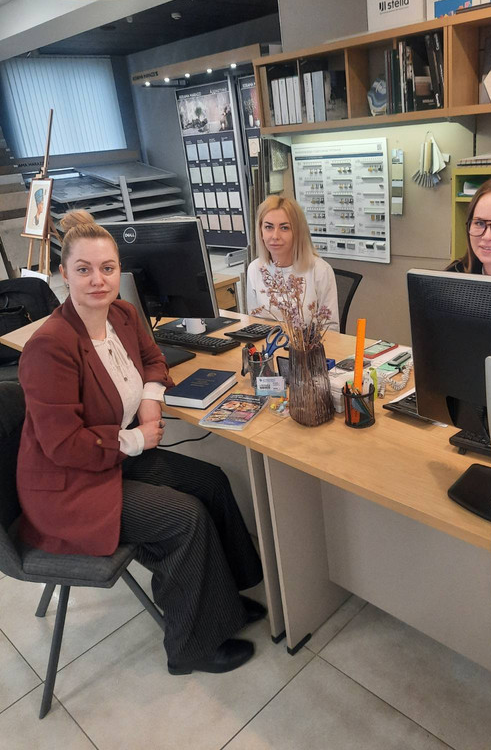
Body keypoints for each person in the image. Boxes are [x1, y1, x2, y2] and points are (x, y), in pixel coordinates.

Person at [16, 210, 264, 675]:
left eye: (107, 268)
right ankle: (190, 648)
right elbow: (62, 445)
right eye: (84, 270)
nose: (98, 280)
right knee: (185, 517)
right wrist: (134, 437)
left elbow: (154, 359)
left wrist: (151, 400)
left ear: (119, 271)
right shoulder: (50, 346)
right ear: (64, 274)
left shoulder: (123, 315)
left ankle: (225, 599)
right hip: (72, 484)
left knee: (211, 481)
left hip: (112, 460)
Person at [246, 195, 340, 330]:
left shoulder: (320, 270)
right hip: (268, 343)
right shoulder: (255, 269)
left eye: (284, 228)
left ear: (297, 232)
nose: (275, 236)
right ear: (260, 231)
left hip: (307, 343)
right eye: (268, 227)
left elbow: (330, 329)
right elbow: (254, 324)